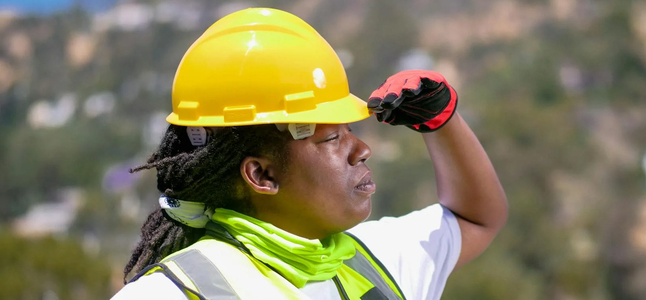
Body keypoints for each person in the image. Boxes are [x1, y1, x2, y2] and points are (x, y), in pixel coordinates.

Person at [111, 7, 507, 300]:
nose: (363, 149)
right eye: (331, 139)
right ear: (261, 175)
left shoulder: (363, 257)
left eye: (350, 130)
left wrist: (443, 122)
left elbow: (475, 218)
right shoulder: (170, 293)